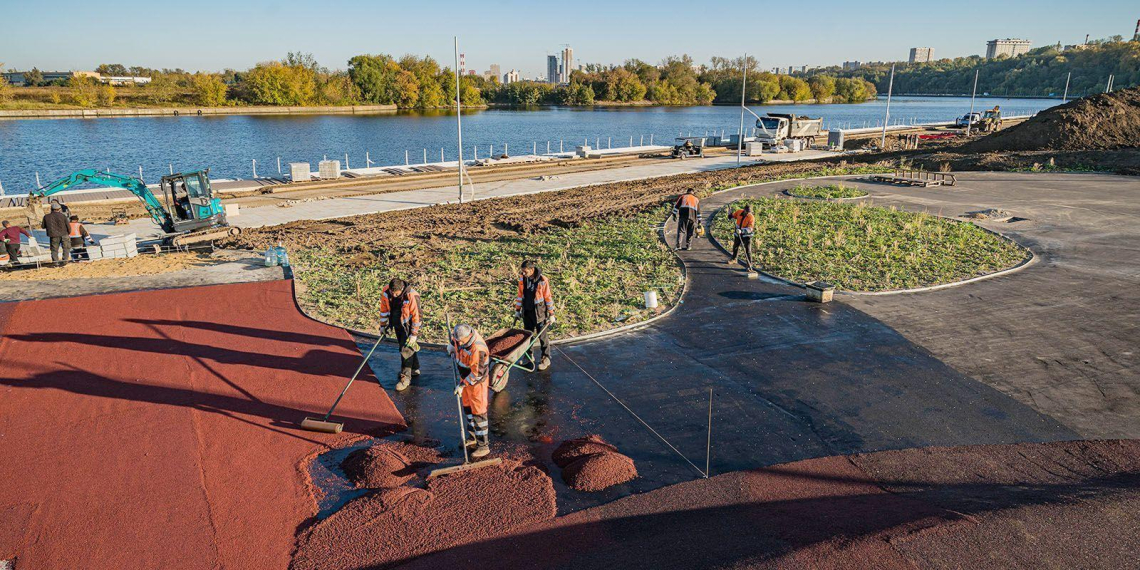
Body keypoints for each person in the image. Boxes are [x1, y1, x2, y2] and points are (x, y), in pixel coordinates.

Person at [448, 323, 491, 458]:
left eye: (461, 341)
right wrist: (452, 348)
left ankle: (483, 446)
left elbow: (477, 374)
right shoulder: (458, 338)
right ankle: (472, 437)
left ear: (469, 336)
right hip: (464, 380)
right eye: (457, 340)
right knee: (468, 409)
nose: (458, 342)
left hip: (477, 384)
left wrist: (462, 385)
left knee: (479, 413)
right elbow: (454, 342)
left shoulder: (478, 349)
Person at [378, 278, 422, 391]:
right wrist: (383, 326)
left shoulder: (412, 295)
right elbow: (383, 309)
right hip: (396, 322)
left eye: (396, 293)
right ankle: (414, 368)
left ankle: (406, 378)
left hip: (408, 325)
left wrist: (414, 334)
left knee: (405, 349)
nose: (393, 294)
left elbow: (417, 316)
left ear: (401, 289)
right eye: (392, 292)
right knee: (404, 346)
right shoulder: (386, 292)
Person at [514, 260, 555, 371]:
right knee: (528, 335)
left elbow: (548, 297)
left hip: (539, 312)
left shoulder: (542, 280)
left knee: (542, 336)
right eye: (522, 271)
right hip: (527, 311)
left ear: (532, 270)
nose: (523, 273)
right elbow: (520, 295)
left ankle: (545, 358)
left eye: (525, 271)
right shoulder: (523, 279)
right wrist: (517, 310)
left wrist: (551, 314)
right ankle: (528, 356)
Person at [727, 204, 756, 269]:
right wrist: (730, 214)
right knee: (735, 246)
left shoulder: (751, 217)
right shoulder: (739, 212)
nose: (748, 213)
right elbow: (732, 217)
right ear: (744, 209)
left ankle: (749, 264)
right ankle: (734, 259)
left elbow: (750, 229)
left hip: (746, 235)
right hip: (738, 234)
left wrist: (742, 231)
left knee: (748, 250)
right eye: (747, 211)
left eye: (749, 212)